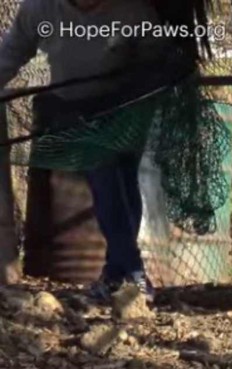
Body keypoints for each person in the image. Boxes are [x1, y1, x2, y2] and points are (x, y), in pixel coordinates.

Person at [0, 0, 189, 302]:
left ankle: (117, 274)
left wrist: (137, 91)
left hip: (124, 109)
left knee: (123, 181)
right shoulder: (39, 9)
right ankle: (133, 273)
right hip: (73, 111)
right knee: (105, 179)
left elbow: (155, 58)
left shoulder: (133, 11)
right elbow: (11, 53)